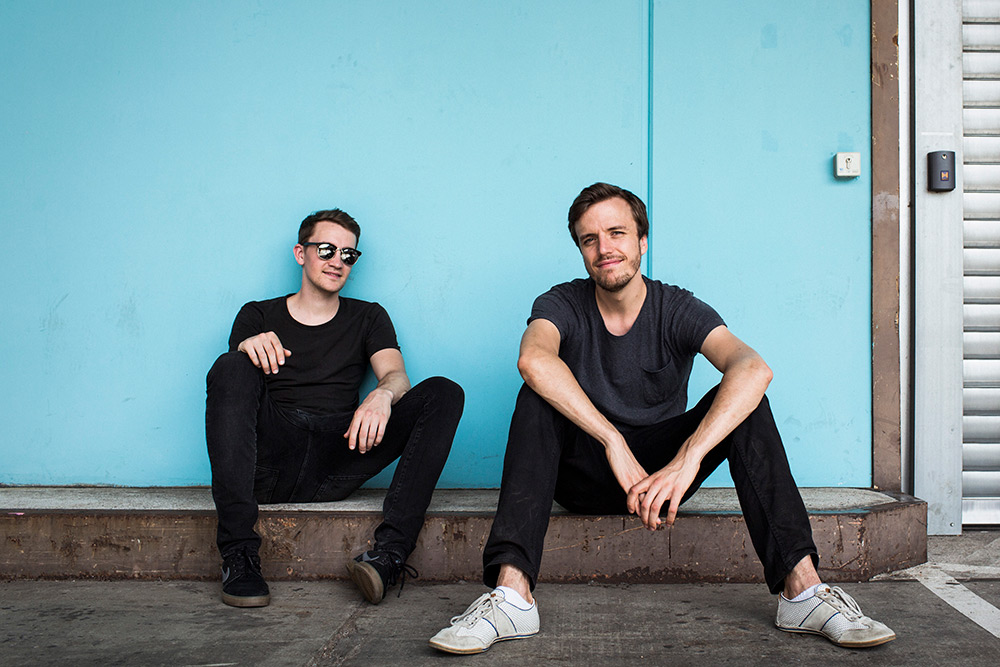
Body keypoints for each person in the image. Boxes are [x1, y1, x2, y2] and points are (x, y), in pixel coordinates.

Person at [429, 183, 894, 654]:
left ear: (642, 241)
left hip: (664, 480)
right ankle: (512, 595)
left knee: (748, 402)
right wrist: (613, 441)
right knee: (535, 396)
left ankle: (803, 591)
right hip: (583, 476)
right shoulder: (561, 303)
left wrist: (687, 459)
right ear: (581, 250)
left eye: (616, 233)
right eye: (590, 239)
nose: (604, 248)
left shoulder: (677, 307)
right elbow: (533, 359)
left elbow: (754, 368)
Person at [206, 208, 464, 608]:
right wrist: (245, 347)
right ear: (301, 253)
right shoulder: (258, 314)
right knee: (230, 365)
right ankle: (239, 555)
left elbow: (396, 375)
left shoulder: (368, 316)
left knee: (444, 392)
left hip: (340, 455)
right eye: (326, 249)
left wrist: (383, 394)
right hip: (271, 459)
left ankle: (389, 556)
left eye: (348, 254)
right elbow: (234, 387)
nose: (337, 261)